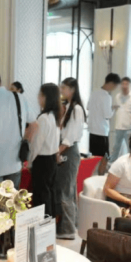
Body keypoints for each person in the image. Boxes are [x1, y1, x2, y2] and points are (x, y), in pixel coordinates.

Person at [0, 67, 37, 188]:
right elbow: (34, 125)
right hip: (15, 164)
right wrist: (25, 140)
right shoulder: (19, 98)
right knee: (12, 199)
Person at [55, 77, 86, 239]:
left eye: (64, 88)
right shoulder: (68, 107)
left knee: (65, 190)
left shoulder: (77, 109)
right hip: (65, 149)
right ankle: (70, 224)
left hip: (68, 151)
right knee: (68, 189)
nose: (61, 91)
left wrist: (59, 151)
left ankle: (67, 229)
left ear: (72, 89)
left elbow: (71, 135)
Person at [30, 83, 60, 221]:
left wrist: (30, 161)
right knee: (48, 194)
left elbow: (36, 144)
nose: (38, 97)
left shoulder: (43, 118)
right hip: (51, 160)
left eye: (40, 95)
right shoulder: (54, 116)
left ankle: (43, 226)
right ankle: (49, 224)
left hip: (42, 160)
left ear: (46, 97)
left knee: (41, 196)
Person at [86, 73, 120, 158]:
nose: (114, 89)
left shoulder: (94, 93)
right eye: (115, 86)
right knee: (103, 158)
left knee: (93, 156)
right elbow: (108, 115)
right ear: (111, 83)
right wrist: (113, 109)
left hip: (92, 129)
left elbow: (88, 107)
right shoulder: (107, 97)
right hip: (101, 131)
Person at [109, 77, 131, 163]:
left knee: (130, 147)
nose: (124, 86)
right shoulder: (117, 96)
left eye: (126, 84)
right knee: (116, 147)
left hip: (129, 127)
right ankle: (112, 163)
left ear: (130, 85)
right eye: (123, 84)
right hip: (118, 126)